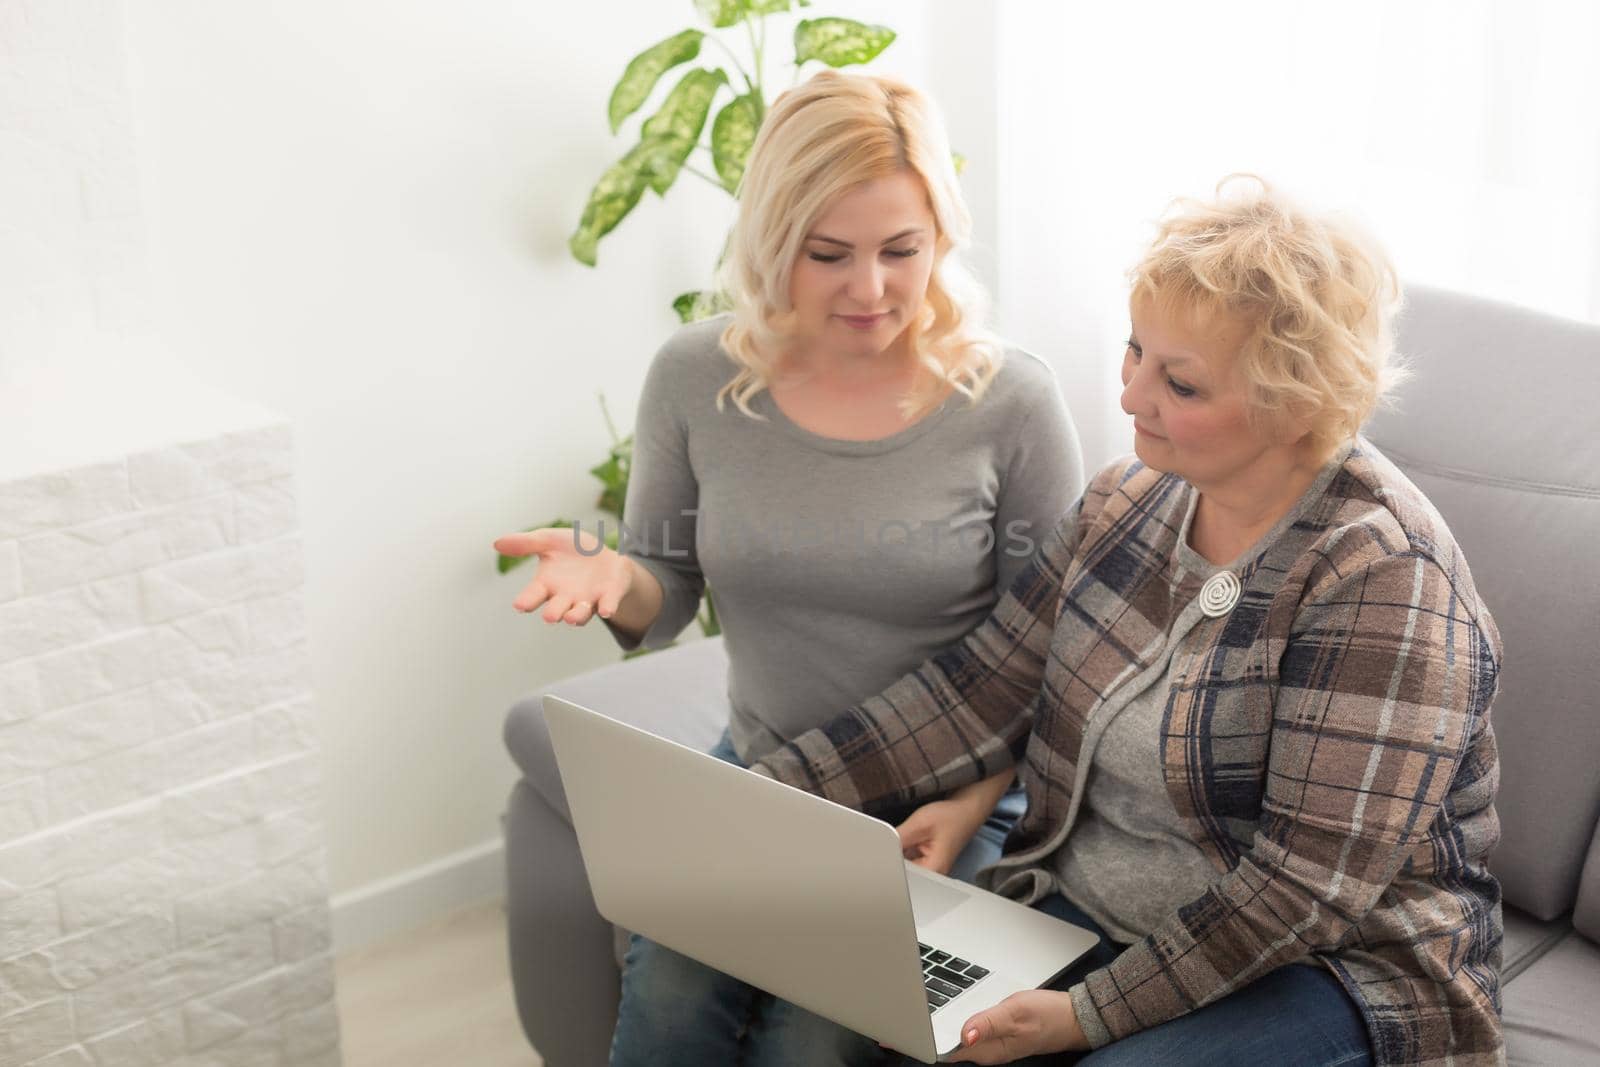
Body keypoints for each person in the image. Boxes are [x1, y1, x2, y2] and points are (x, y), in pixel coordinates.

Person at [752, 176, 1504, 1067]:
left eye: (1178, 383)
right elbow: (978, 690)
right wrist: (762, 796)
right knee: (857, 1025)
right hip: (1101, 911)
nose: (1131, 398)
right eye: (1134, 352)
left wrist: (1086, 1015)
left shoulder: (1383, 576)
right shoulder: (1126, 501)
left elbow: (1300, 890)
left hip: (1338, 964)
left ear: (1296, 402)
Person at [495, 70, 1084, 1066]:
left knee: (811, 1039)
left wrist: (977, 799)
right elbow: (664, 581)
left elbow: (1062, 653)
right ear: (774, 243)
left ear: (942, 234)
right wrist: (617, 576)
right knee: (665, 1003)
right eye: (829, 254)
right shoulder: (695, 376)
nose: (871, 289)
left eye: (902, 250)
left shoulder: (1009, 403)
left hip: (945, 799)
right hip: (769, 777)